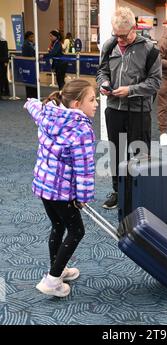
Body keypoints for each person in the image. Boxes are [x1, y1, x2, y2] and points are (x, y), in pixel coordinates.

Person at [24, 79, 98, 297]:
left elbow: (34, 106)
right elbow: (84, 169)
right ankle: (53, 280)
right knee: (77, 231)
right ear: (76, 104)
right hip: (61, 190)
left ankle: (58, 269)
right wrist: (83, 197)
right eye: (92, 100)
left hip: (44, 184)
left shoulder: (50, 113)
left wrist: (29, 103)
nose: (96, 104)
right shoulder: (81, 129)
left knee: (58, 226)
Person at [96, 7, 161, 210]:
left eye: (123, 36)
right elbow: (102, 72)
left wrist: (131, 90)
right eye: (116, 35)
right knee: (116, 152)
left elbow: (155, 83)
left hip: (139, 111)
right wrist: (104, 83)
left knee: (139, 153)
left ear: (134, 29)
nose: (119, 40)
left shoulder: (150, 49)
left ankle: (141, 193)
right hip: (114, 109)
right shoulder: (109, 45)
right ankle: (118, 191)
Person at [22, 31, 37, 98]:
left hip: (31, 64)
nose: (33, 38)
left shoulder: (31, 44)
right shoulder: (26, 45)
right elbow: (29, 55)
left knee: (32, 80)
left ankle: (33, 95)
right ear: (28, 37)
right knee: (29, 80)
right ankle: (30, 95)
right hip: (28, 64)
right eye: (31, 37)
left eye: (33, 36)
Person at [0, 32, 10, 99]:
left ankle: (4, 92)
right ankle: (5, 91)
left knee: (3, 77)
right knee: (3, 78)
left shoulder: (3, 41)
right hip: (2, 62)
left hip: (3, 62)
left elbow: (6, 52)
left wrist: (6, 61)